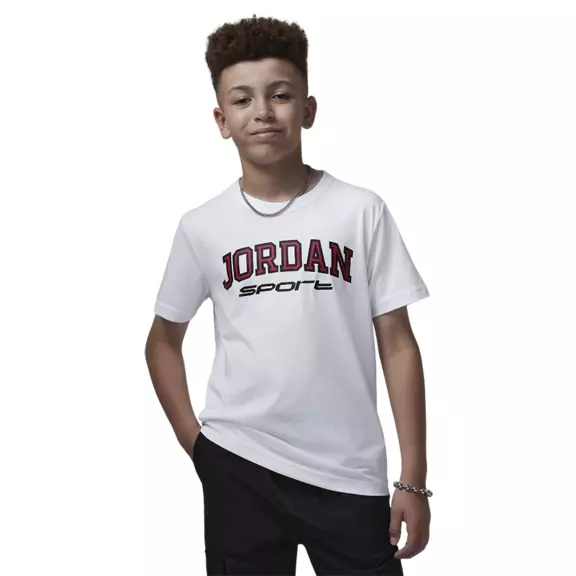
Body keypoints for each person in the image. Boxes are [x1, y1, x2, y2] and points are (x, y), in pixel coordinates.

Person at [145, 14, 432, 576]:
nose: (263, 111)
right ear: (221, 119)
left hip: (348, 472)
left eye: (280, 95)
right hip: (239, 464)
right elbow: (162, 340)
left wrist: (413, 479)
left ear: (308, 109)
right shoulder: (202, 227)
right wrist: (195, 442)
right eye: (242, 99)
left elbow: (398, 345)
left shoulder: (360, 211)